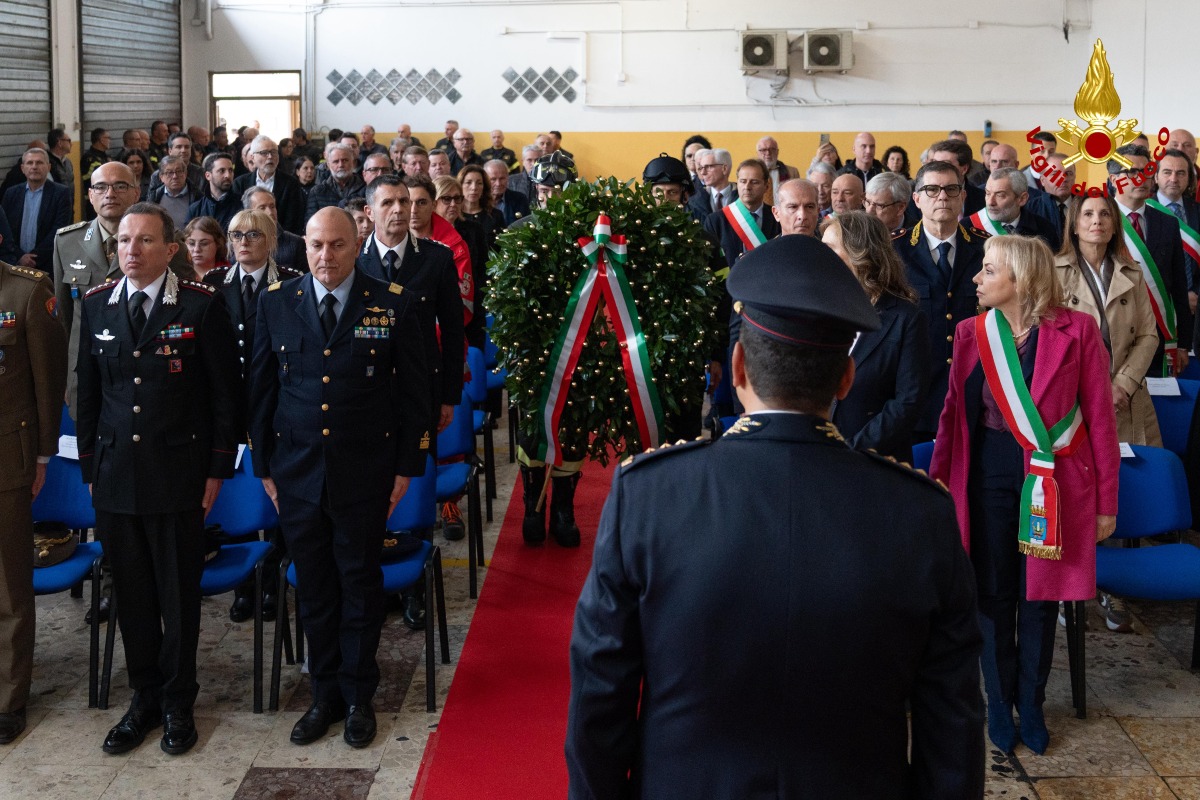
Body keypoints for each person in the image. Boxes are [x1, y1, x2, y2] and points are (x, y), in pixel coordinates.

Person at [567, 234, 985, 799]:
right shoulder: (920, 512)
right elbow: (951, 731)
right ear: (845, 379)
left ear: (737, 365)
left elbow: (599, 706)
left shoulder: (649, 496)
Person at [248, 207, 429, 749]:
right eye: (316, 246)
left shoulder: (392, 303)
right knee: (316, 591)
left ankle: (358, 696)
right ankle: (323, 694)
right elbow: (260, 392)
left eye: (337, 246)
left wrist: (406, 469)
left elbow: (415, 397)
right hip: (296, 476)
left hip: (365, 473)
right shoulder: (277, 302)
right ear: (303, 247)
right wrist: (263, 469)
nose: (325, 257)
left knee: (359, 585)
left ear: (358, 243)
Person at [931, 234, 1119, 755]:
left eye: (988, 271)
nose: (977, 279)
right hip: (987, 473)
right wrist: (941, 484)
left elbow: (1101, 419)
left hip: (1054, 480)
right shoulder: (972, 332)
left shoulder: (1078, 331)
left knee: (1039, 597)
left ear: (1021, 280)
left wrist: (1107, 505)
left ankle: (1031, 707)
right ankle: (998, 704)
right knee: (993, 594)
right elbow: (951, 415)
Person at [75, 203, 242, 756]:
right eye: (124, 240)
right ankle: (142, 697)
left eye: (144, 241)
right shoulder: (98, 305)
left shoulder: (199, 306)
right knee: (133, 596)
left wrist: (218, 468)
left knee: (177, 596)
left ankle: (177, 702)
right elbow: (90, 394)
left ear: (170, 250)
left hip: (178, 475)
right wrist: (92, 467)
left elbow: (225, 397)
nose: (131, 250)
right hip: (117, 477)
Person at [0, 258, 68, 746]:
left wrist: (43, 454)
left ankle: (8, 699)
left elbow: (49, 381)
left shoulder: (25, 292)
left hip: (7, 457)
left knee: (8, 586)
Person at [1054, 195, 1162, 448]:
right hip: (1077, 398)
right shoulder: (1052, 273)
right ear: (1074, 226)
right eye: (1088, 214)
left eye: (1105, 214)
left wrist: (1121, 385)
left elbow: (1148, 335)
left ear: (1114, 226)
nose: (1097, 221)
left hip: (1127, 396)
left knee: (1138, 480)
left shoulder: (1132, 273)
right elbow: (1051, 343)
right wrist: (1098, 390)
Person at [892, 159, 987, 442]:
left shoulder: (988, 248)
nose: (943, 196)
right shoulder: (895, 251)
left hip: (975, 391)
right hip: (916, 396)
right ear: (917, 199)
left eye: (951, 189)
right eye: (932, 190)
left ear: (963, 196)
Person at [822, 211, 929, 460]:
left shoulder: (906, 318)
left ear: (860, 254)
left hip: (878, 461)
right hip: (819, 457)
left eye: (830, 248)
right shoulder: (821, 308)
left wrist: (854, 450)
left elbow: (907, 403)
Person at [2, 148, 72, 271]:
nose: (34, 167)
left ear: (49, 167)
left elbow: (59, 229)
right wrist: (20, 256)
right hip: (16, 264)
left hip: (48, 265)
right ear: (23, 168)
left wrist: (34, 258)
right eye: (30, 163)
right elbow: (5, 230)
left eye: (39, 162)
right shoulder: (11, 193)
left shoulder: (61, 193)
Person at [231, 135, 306, 236]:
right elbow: (237, 217)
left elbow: (295, 219)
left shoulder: (291, 184)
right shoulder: (240, 183)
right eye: (264, 153)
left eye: (274, 152)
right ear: (253, 157)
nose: (270, 157)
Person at [188, 152, 240, 231]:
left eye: (230, 170)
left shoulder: (242, 205)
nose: (228, 175)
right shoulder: (196, 209)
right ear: (208, 175)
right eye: (222, 171)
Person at [458, 165, 504, 249]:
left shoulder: (495, 215)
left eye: (479, 183)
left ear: (484, 187)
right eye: (468, 182)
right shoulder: (455, 216)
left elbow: (503, 247)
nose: (474, 188)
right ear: (460, 185)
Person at [182, 216, 229, 280]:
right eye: (191, 243)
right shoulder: (177, 275)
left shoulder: (230, 275)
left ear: (218, 243)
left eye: (204, 244)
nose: (196, 249)